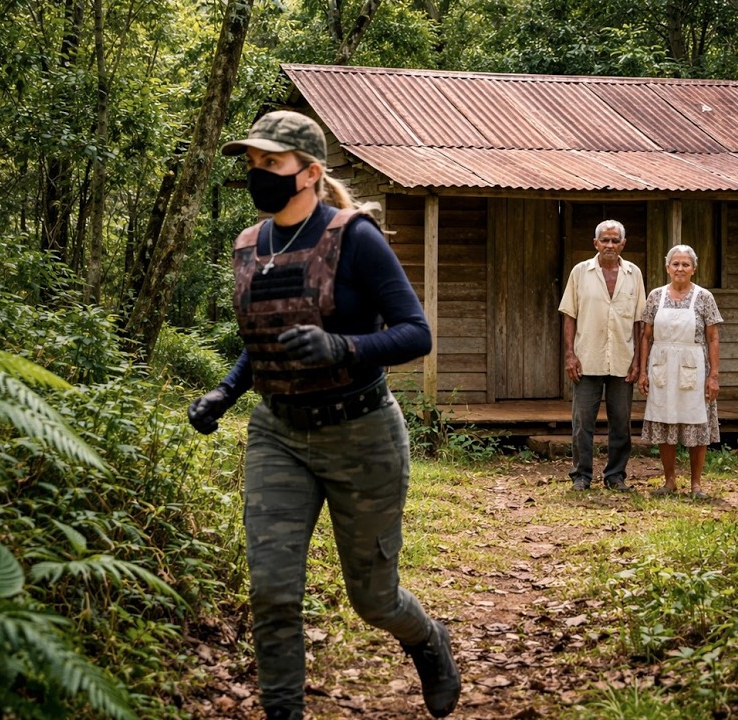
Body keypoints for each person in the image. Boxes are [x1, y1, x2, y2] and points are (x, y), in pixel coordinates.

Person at [186, 110, 460, 720]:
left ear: (309, 173)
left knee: (374, 598)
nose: (259, 175)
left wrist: (345, 346)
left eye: (272, 164)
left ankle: (428, 640)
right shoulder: (249, 246)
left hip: (362, 434)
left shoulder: (354, 237)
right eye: (253, 164)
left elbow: (417, 334)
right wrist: (225, 394)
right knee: (273, 594)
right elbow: (262, 341)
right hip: (278, 434)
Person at [558, 219, 646, 492]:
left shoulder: (634, 274)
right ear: (595, 243)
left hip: (622, 358)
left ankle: (615, 476)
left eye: (614, 240)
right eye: (604, 240)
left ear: (623, 244)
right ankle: (581, 475)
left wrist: (637, 361)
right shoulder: (580, 272)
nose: (609, 245)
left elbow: (639, 322)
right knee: (582, 421)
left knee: (621, 421)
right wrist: (570, 356)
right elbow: (569, 316)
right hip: (587, 359)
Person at [636, 244, 724, 498]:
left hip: (693, 364)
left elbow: (713, 337)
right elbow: (646, 336)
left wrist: (714, 375)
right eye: (675, 264)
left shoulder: (704, 297)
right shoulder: (656, 296)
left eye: (685, 264)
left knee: (696, 420)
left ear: (694, 269)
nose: (680, 268)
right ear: (667, 268)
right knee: (666, 418)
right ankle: (670, 480)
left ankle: (696, 483)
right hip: (662, 364)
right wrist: (642, 371)